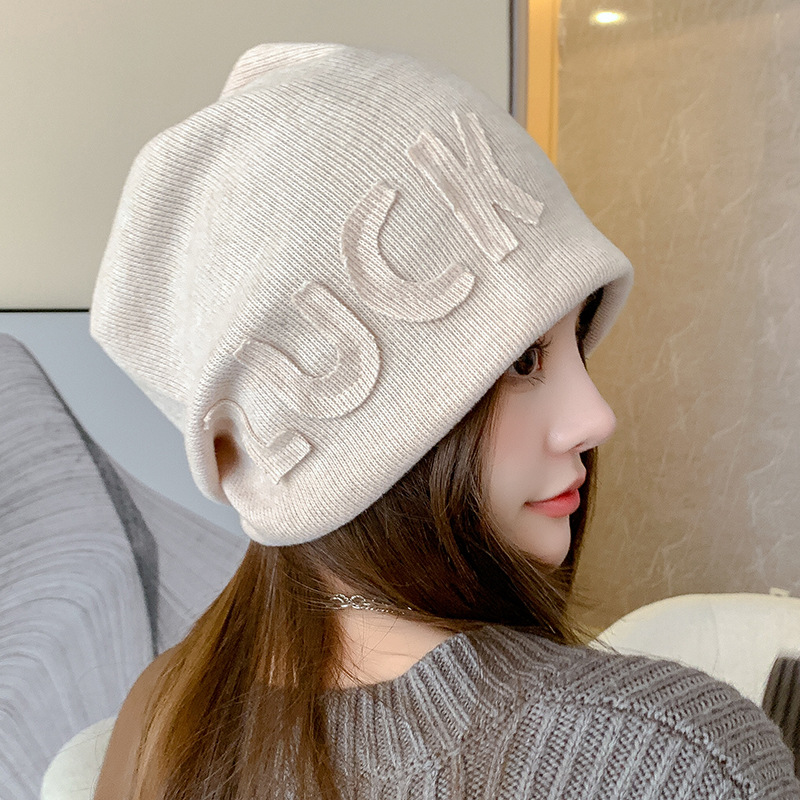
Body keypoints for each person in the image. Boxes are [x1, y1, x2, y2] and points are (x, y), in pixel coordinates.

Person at [88, 44, 799, 799]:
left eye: (576, 339)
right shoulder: (673, 755)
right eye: (523, 361)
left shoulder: (164, 716)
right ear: (351, 428)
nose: (595, 417)